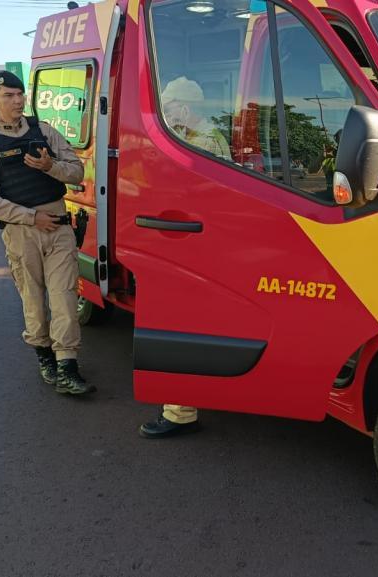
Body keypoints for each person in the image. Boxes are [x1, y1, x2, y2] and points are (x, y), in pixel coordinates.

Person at [0, 70, 94, 396]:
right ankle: (44, 355)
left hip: (59, 228)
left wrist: (49, 167)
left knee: (65, 297)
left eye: (20, 94)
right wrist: (30, 217)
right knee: (34, 301)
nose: (17, 100)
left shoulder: (44, 131)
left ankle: (67, 366)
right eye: (9, 95)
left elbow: (77, 171)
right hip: (22, 232)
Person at [137, 76, 225, 439]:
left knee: (177, 327)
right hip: (198, 248)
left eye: (169, 108)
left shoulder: (200, 143)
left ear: (185, 109)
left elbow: (181, 196)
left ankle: (179, 412)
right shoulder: (205, 137)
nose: (166, 115)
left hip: (189, 250)